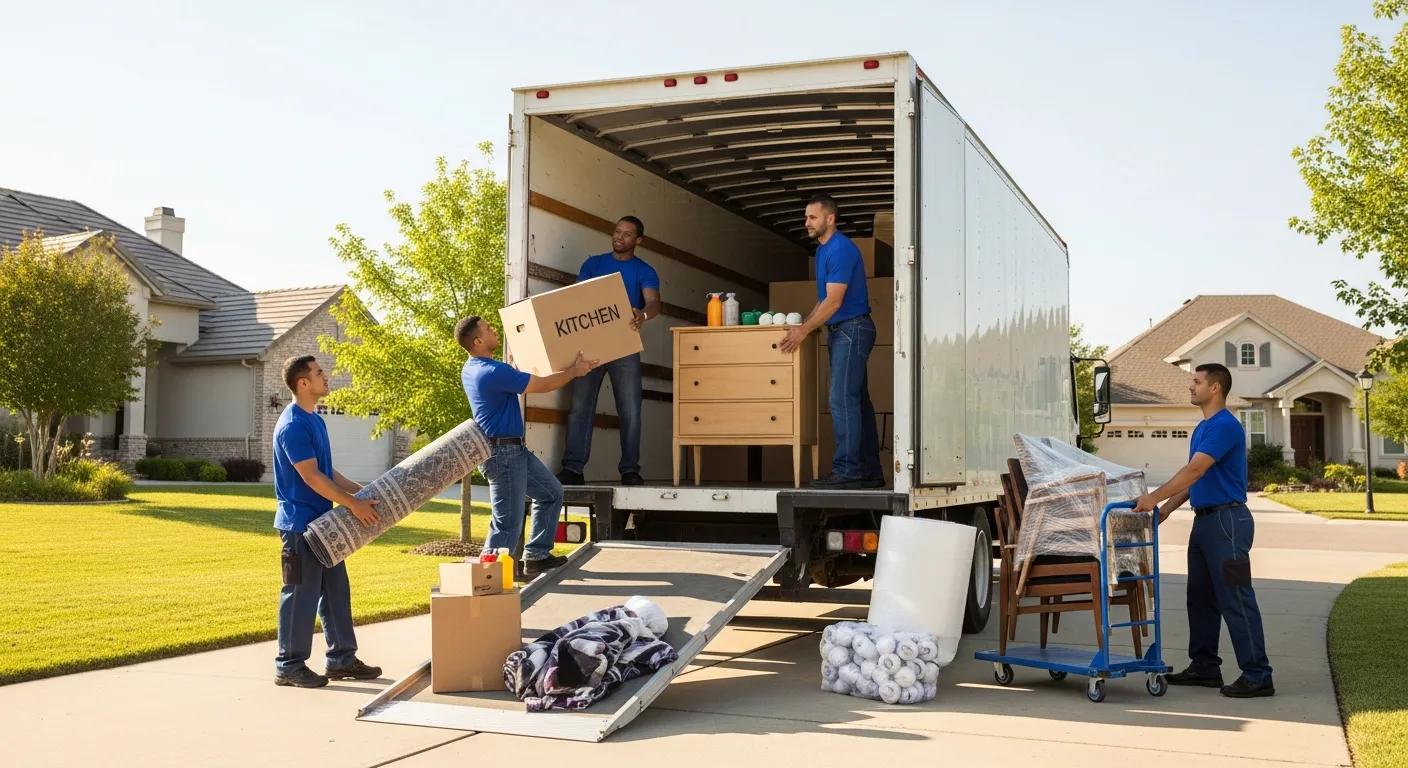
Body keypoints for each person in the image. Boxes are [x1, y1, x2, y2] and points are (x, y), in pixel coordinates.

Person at [1134, 362, 1275, 698]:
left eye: (1196, 382)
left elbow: (1195, 470)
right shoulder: (1203, 428)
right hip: (1205, 522)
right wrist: (1166, 509)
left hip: (1228, 523)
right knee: (1199, 597)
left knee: (1236, 597)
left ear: (1215, 388)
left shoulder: (1224, 425)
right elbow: (1196, 479)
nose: (1190, 386)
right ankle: (1205, 666)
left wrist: (1153, 497)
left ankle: (1258, 674)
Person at [272, 355, 383, 688]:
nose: (326, 376)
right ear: (303, 383)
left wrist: (358, 491)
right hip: (300, 527)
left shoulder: (315, 420)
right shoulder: (293, 425)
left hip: (325, 524)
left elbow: (326, 471)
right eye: (319, 373)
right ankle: (289, 665)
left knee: (336, 591)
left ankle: (341, 659)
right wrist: (352, 505)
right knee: (300, 594)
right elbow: (310, 477)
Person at [457, 315, 596, 578]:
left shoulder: (473, 368)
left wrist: (512, 370)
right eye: (487, 328)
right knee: (507, 523)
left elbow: (507, 382)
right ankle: (488, 582)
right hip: (502, 454)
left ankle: (536, 557)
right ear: (477, 342)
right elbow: (542, 385)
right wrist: (574, 371)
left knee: (551, 493)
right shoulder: (493, 372)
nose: (493, 329)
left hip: (513, 450)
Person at [780, 194, 883, 489]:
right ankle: (870, 473)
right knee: (857, 402)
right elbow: (824, 300)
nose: (806, 222)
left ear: (830, 218)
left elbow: (835, 302)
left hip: (851, 329)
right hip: (844, 330)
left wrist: (803, 331)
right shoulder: (823, 251)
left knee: (841, 399)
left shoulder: (839, 249)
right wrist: (805, 324)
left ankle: (848, 471)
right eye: (806, 217)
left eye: (812, 217)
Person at [556, 215, 661, 487]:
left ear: (638, 240)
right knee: (580, 407)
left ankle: (630, 470)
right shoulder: (593, 264)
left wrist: (642, 315)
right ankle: (573, 469)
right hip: (590, 346)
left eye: (627, 234)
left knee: (630, 409)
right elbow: (577, 297)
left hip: (623, 346)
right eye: (617, 231)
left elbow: (653, 303)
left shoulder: (644, 270)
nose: (619, 237)